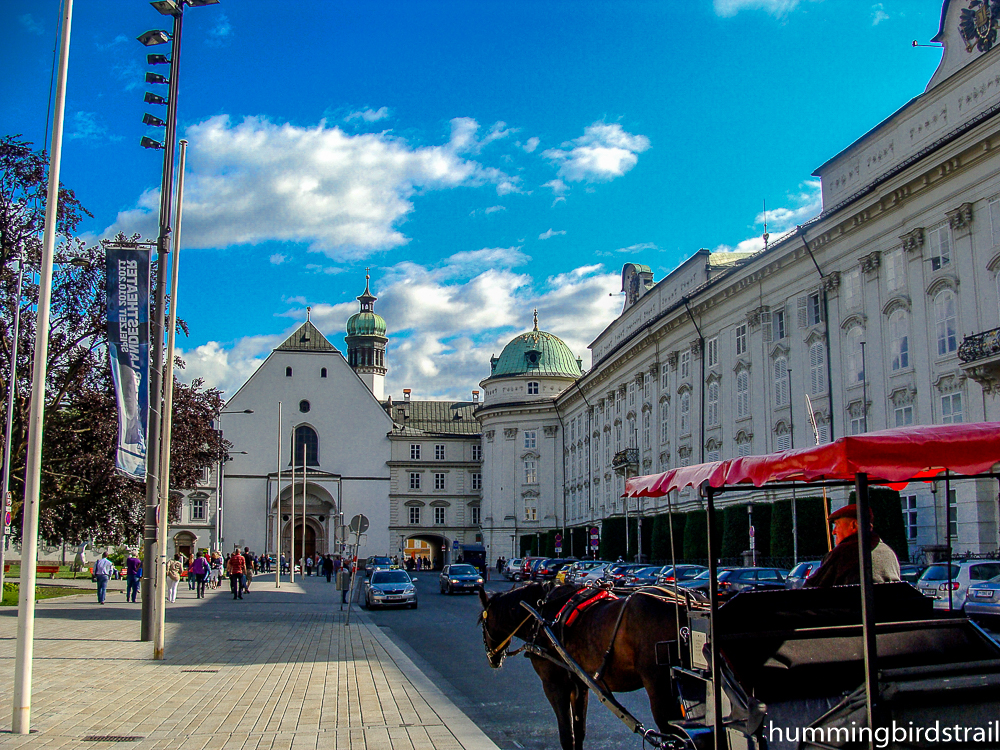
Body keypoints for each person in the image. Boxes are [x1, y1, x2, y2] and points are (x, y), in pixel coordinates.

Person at [804, 504, 902, 588]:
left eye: (837, 525)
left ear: (854, 525)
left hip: (852, 609)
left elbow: (810, 590)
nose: (833, 532)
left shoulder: (844, 553)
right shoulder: (889, 552)